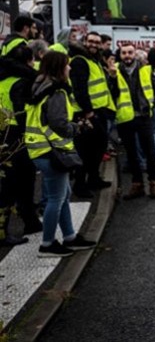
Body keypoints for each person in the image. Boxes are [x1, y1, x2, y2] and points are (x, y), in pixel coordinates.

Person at [24, 51, 97, 257]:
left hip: (39, 149)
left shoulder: (40, 85)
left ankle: (70, 237)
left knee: (62, 196)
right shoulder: (57, 91)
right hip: (51, 151)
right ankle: (47, 244)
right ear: (59, 67)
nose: (70, 68)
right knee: (56, 199)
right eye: (67, 65)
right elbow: (58, 123)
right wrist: (77, 127)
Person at [0, 46, 43, 245]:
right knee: (21, 183)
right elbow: (22, 112)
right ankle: (12, 228)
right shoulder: (22, 83)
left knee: (8, 184)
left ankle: (29, 221)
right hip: (16, 138)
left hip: (3, 134)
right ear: (28, 61)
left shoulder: (3, 81)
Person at [110, 43, 155, 199]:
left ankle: (154, 183)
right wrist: (112, 78)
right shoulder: (115, 71)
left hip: (143, 116)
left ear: (134, 54)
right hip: (125, 117)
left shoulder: (146, 69)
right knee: (131, 153)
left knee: (150, 152)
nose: (127, 56)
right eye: (124, 53)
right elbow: (112, 94)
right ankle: (137, 184)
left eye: (130, 52)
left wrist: (150, 104)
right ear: (120, 54)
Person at [69, 31, 116, 198]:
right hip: (86, 114)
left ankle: (94, 179)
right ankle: (80, 185)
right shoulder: (80, 61)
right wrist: (88, 113)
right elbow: (79, 89)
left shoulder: (93, 61)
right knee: (85, 151)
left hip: (99, 111)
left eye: (97, 42)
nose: (94, 45)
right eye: (91, 42)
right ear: (84, 42)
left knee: (98, 148)